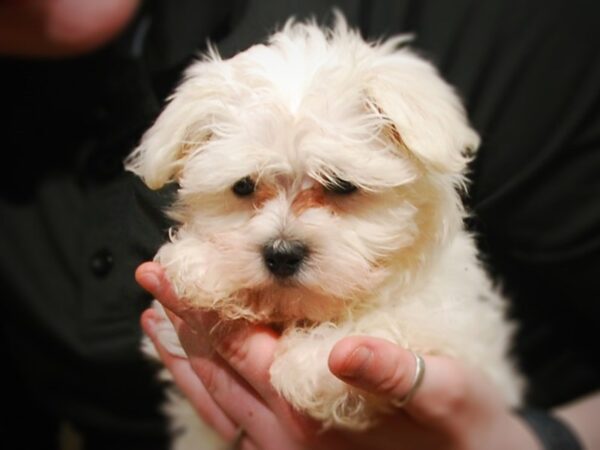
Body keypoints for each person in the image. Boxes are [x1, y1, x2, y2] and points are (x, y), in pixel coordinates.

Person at [1, 0, 598, 449]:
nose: (281, 237)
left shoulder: (524, 37)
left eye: (339, 189)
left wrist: (536, 441)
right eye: (244, 190)